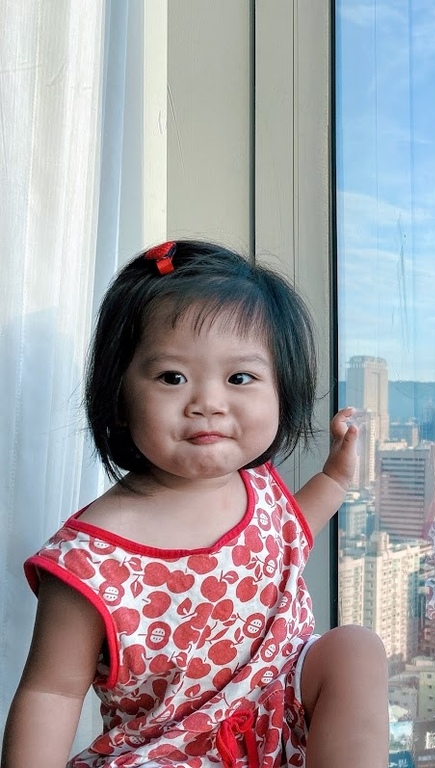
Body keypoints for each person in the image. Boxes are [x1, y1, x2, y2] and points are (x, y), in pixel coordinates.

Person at [2, 241, 389, 768]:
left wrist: (336, 478)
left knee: (356, 649)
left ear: (283, 391)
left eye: (239, 378)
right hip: (168, 752)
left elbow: (289, 529)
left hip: (280, 706)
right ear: (118, 396)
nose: (208, 402)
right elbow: (51, 692)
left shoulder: (259, 486)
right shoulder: (89, 561)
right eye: (172, 377)